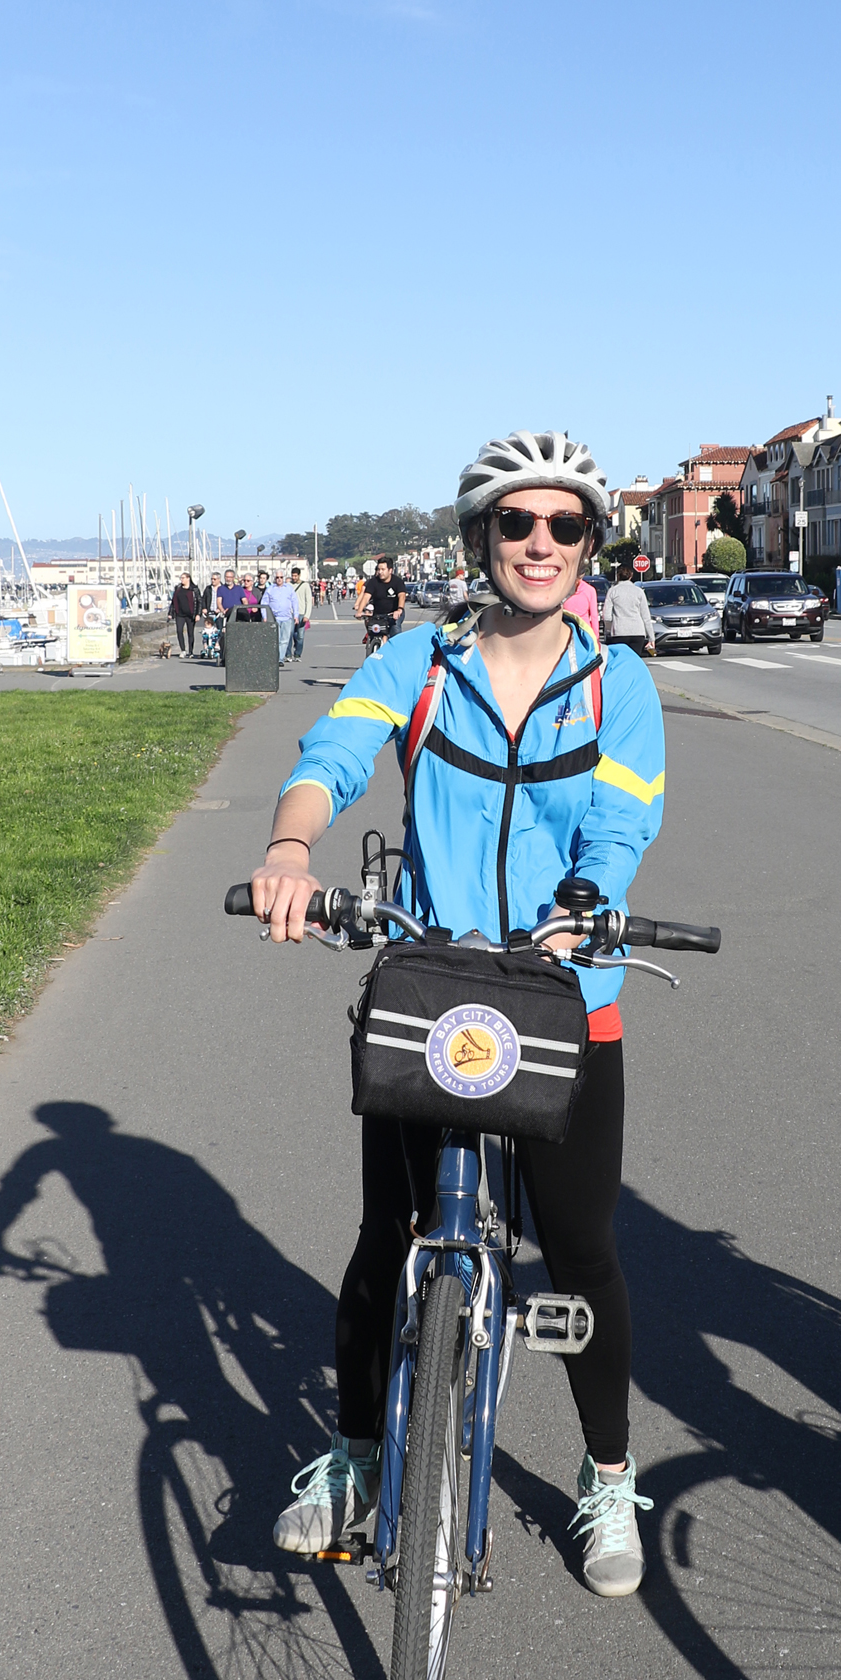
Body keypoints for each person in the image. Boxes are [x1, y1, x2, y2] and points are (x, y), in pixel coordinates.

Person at [251, 429, 665, 1600]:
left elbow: (621, 822)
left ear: (587, 542)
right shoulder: (417, 660)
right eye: (516, 523)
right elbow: (333, 750)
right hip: (430, 981)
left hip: (564, 994)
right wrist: (290, 842)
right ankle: (358, 1457)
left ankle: (605, 1473)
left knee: (578, 1249)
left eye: (564, 525)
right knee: (391, 1233)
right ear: (480, 538)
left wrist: (585, 905)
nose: (540, 543)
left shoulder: (615, 681)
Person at [602, 565, 655, 656]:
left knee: (621, 660)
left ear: (618, 576)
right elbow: (646, 616)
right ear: (631, 576)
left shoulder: (613, 591)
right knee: (634, 659)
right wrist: (651, 638)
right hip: (637, 632)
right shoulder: (638, 591)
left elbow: (606, 616)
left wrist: (610, 628)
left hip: (619, 632)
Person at [357, 555, 406, 640]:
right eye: (379, 569)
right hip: (378, 614)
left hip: (393, 613)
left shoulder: (397, 582)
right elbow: (366, 597)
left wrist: (399, 609)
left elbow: (402, 596)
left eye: (383, 569)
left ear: (390, 570)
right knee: (373, 631)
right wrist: (359, 611)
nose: (380, 572)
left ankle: (396, 650)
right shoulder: (373, 582)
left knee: (395, 632)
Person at [260, 570, 300, 663]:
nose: (279, 579)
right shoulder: (270, 589)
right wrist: (265, 616)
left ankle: (280, 659)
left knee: (284, 640)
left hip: (287, 618)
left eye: (281, 577)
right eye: (277, 577)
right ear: (275, 578)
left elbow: (295, 602)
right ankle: (275, 658)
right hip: (274, 618)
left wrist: (296, 615)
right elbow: (264, 603)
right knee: (275, 640)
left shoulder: (289, 589)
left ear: (284, 578)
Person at [169, 572, 201, 656]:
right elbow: (173, 602)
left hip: (191, 614)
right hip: (179, 614)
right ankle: (183, 650)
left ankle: (191, 651)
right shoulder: (178, 588)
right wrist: (170, 613)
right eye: (181, 578)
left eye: (183, 578)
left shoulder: (194, 589)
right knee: (179, 631)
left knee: (190, 633)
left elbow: (199, 602)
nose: (181, 579)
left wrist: (198, 614)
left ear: (188, 578)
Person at [288, 567, 313, 660]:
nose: (294, 578)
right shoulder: (288, 585)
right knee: (289, 634)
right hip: (290, 613)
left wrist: (307, 615)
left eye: (295, 576)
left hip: (301, 613)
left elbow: (308, 601)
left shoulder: (305, 585)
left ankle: (298, 653)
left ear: (299, 575)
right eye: (292, 576)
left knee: (300, 635)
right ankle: (288, 654)